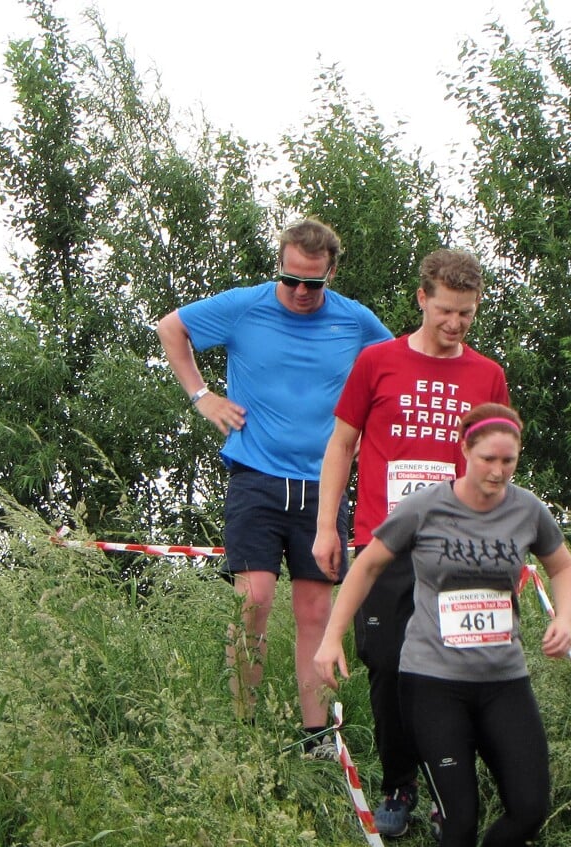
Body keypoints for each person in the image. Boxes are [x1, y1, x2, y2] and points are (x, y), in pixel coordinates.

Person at [156, 218, 392, 754]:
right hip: (256, 477)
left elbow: (393, 369)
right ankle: (244, 731)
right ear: (279, 269)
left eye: (315, 283)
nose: (302, 292)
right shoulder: (246, 306)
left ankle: (316, 737)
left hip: (322, 486)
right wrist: (202, 396)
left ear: (331, 273)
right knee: (253, 600)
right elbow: (171, 327)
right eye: (292, 280)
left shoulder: (355, 321)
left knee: (315, 611)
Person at [314, 403, 571, 846]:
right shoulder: (424, 508)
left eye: (508, 461)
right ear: (464, 450)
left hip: (504, 680)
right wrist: (331, 638)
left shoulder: (528, 510)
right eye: (487, 460)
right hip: (432, 682)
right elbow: (367, 567)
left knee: (530, 808)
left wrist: (565, 619)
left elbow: (564, 567)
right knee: (459, 824)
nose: (497, 471)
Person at [312, 249, 509, 835]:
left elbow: (497, 465)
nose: (454, 325)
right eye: (446, 311)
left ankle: (450, 790)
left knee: (456, 673)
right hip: (384, 546)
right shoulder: (377, 362)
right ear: (421, 298)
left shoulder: (486, 375)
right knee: (391, 668)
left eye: (466, 316)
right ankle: (398, 781)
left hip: (457, 548)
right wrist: (328, 526)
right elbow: (341, 446)